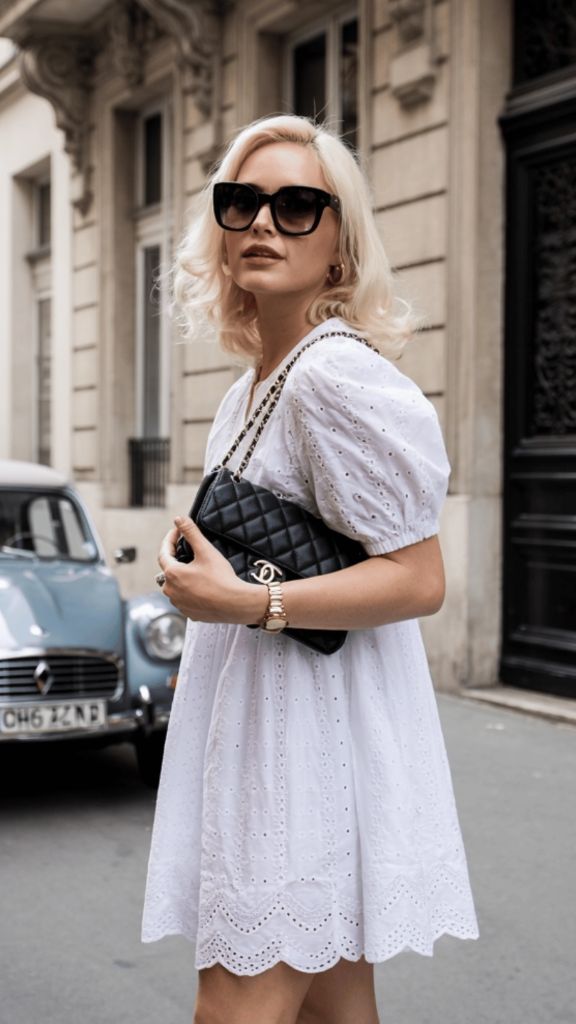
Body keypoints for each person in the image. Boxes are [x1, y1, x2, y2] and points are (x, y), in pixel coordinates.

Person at [141, 114, 479, 1024]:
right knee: (335, 1006)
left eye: (296, 206)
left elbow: (418, 577)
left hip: (302, 745)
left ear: (339, 245)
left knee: (235, 1002)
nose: (261, 223)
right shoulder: (257, 384)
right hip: (272, 730)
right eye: (241, 202)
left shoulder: (334, 377)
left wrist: (247, 603)